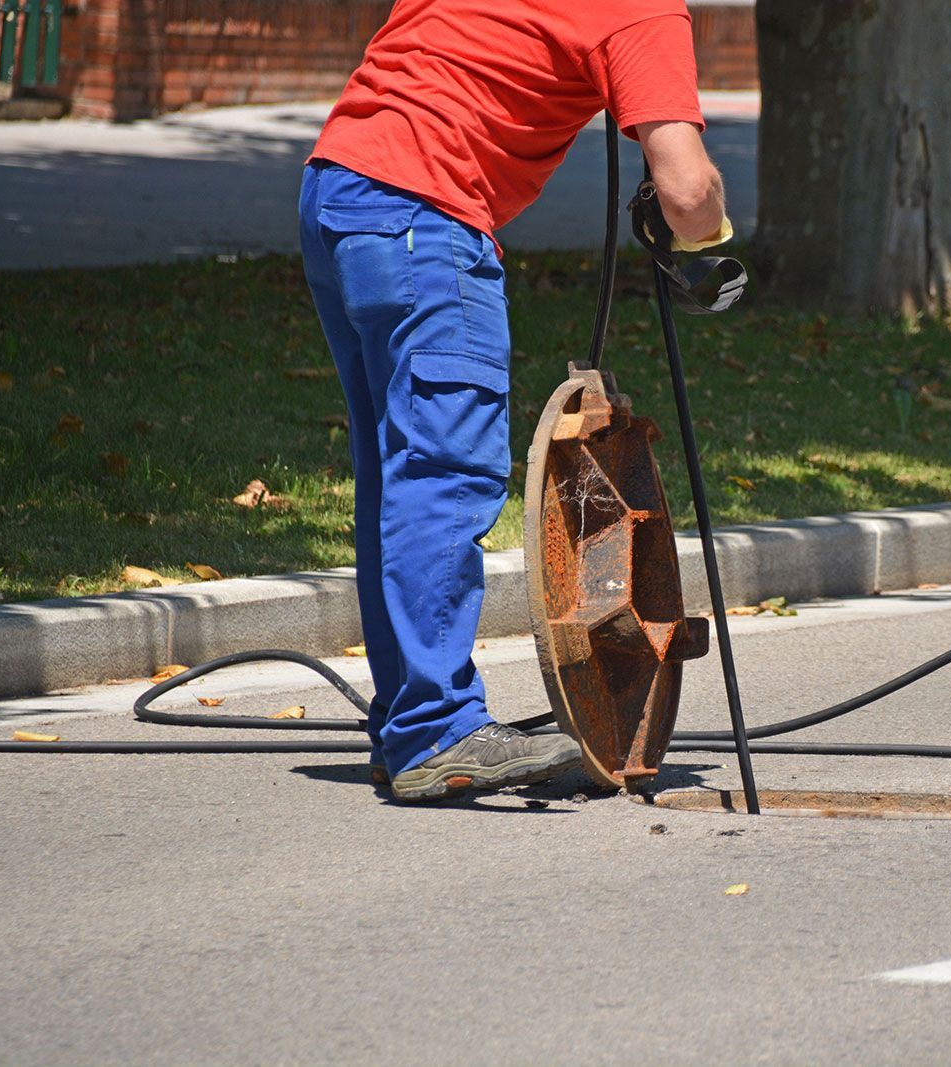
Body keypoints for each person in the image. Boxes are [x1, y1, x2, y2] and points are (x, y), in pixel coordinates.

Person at [298, 0, 731, 802]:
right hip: (425, 215)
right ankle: (436, 730)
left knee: (398, 470)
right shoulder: (643, 8)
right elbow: (684, 185)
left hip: (338, 190)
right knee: (443, 471)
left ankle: (406, 723)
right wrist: (709, 230)